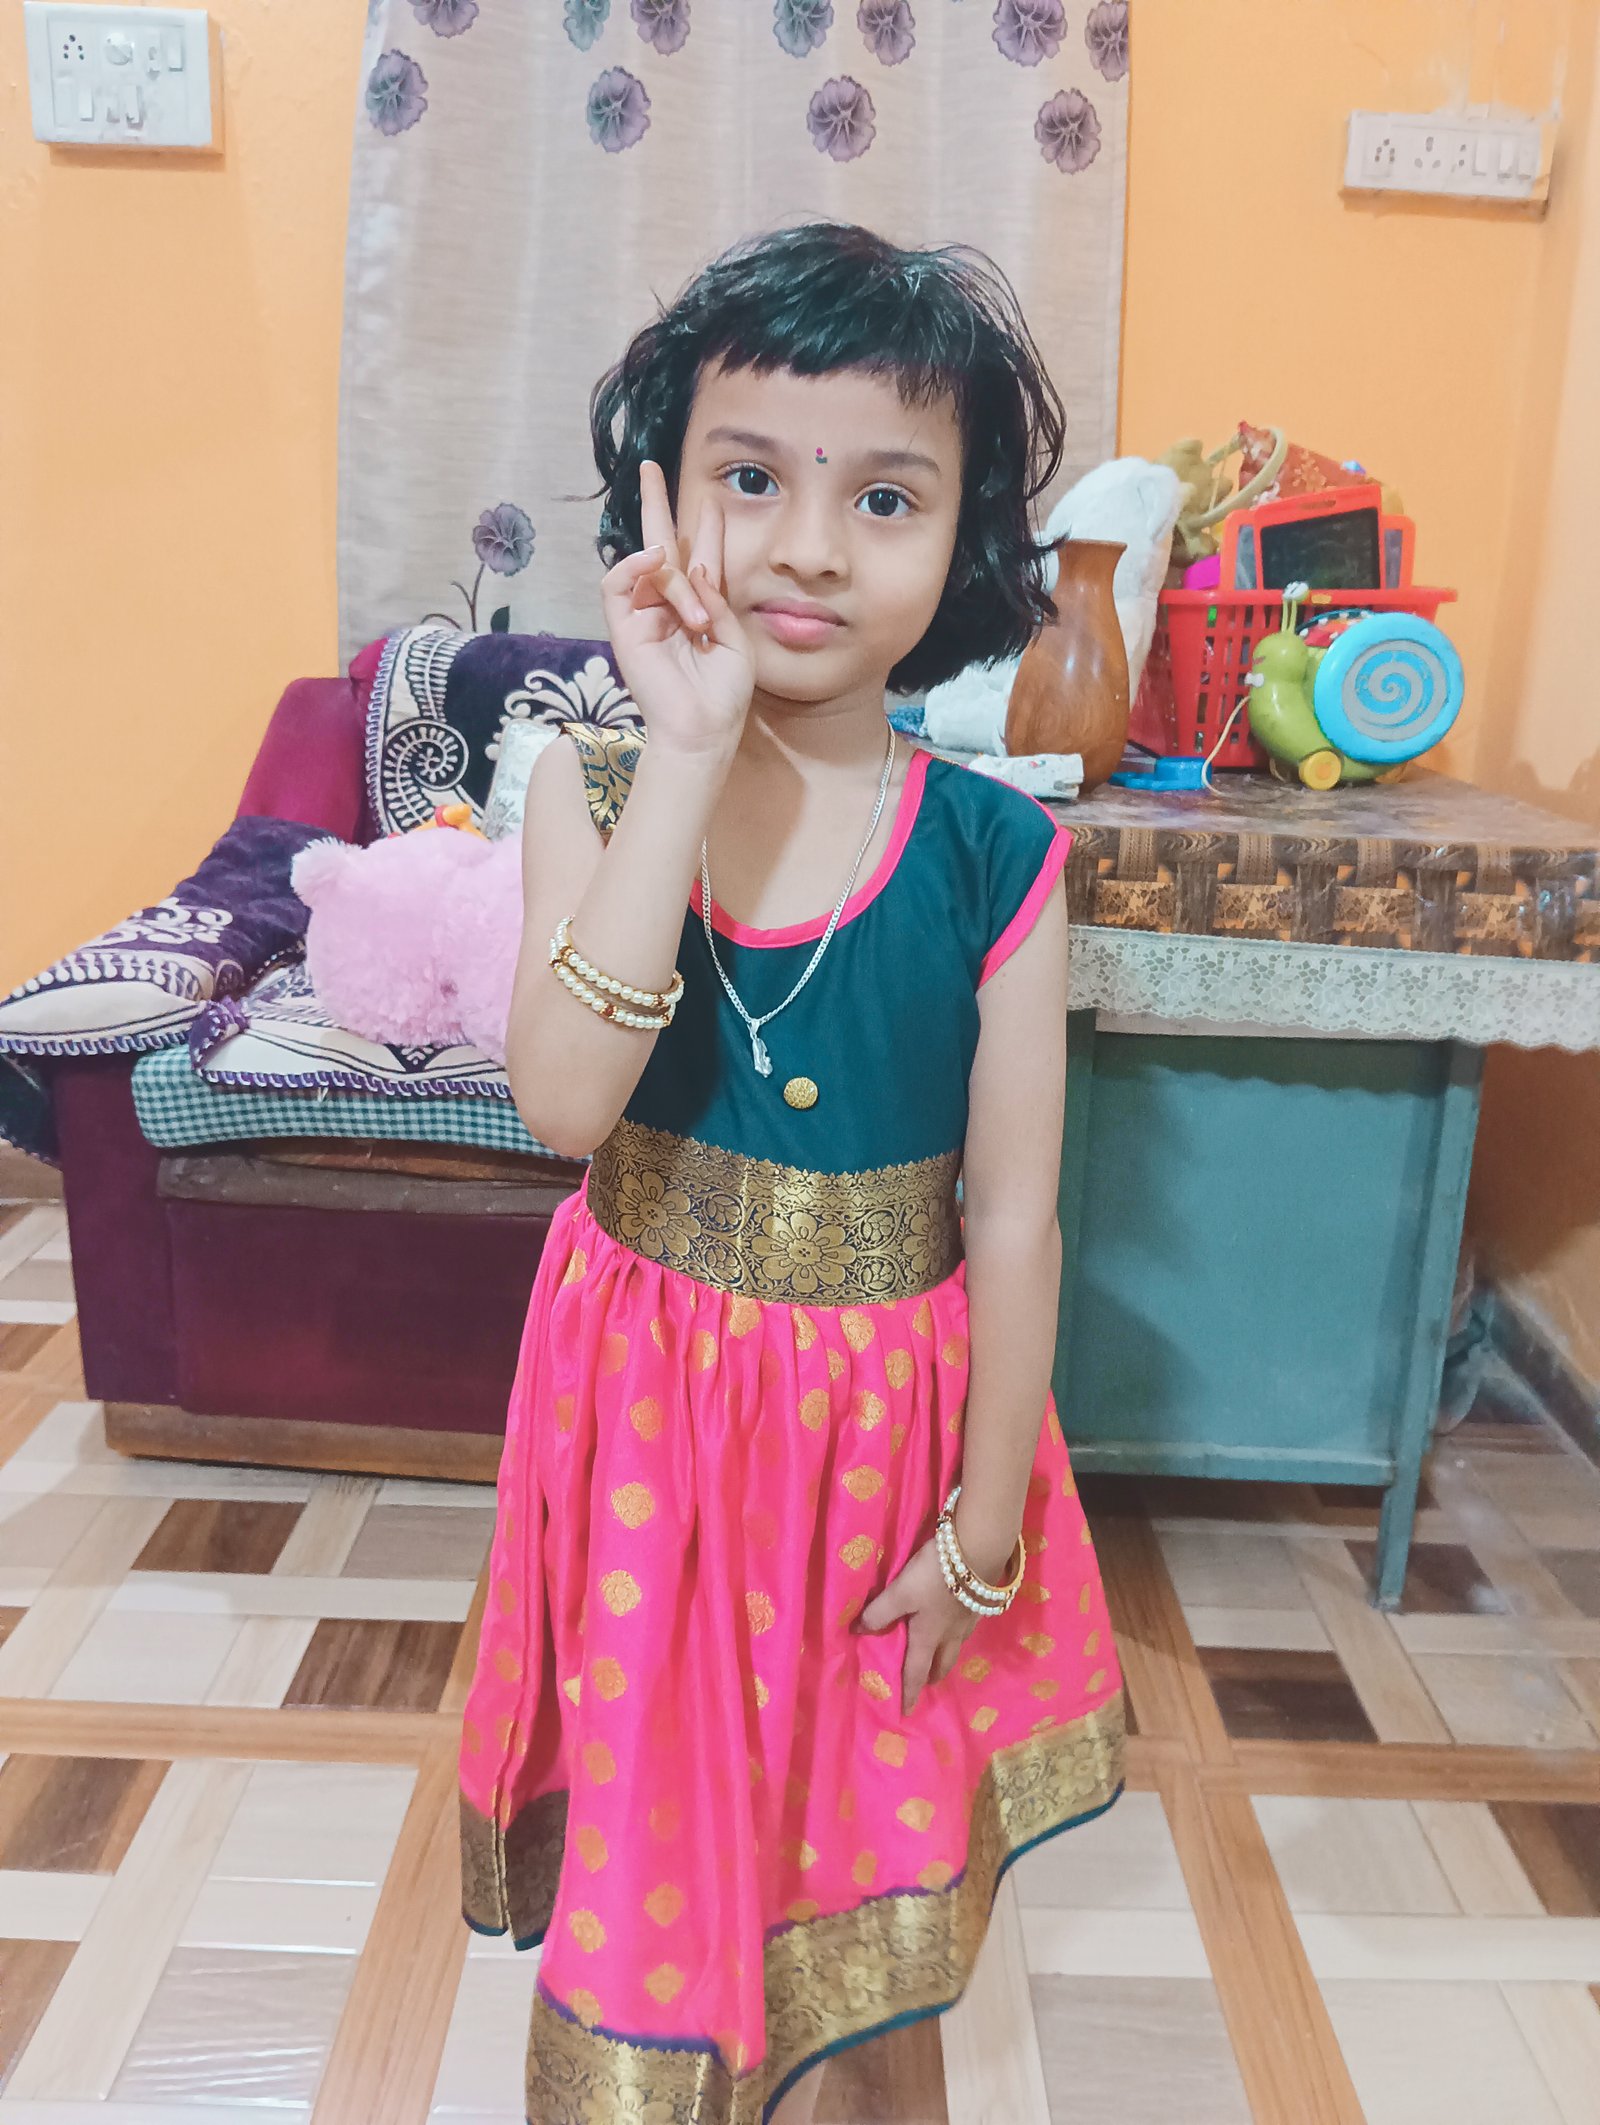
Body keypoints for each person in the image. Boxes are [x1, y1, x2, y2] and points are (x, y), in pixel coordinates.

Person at [457, 221, 1126, 2125]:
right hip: (648, 1426)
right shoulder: (591, 787)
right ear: (662, 498)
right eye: (751, 479)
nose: (812, 547)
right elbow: (562, 1106)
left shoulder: (996, 853)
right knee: (665, 1840)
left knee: (864, 1863)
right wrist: (682, 750)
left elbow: (1015, 1215)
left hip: (879, 1450)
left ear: (965, 541)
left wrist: (983, 1529)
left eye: (885, 497)